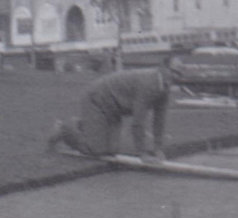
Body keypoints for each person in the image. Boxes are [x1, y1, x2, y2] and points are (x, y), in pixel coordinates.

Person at [46, 57, 177, 163]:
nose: (175, 76)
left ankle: (85, 124)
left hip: (115, 109)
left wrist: (158, 149)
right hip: (97, 100)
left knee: (112, 151)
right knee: (96, 150)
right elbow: (138, 122)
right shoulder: (149, 84)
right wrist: (142, 153)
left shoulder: (164, 88)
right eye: (173, 71)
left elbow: (159, 119)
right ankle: (64, 129)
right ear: (163, 69)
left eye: (179, 73)